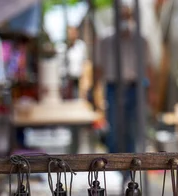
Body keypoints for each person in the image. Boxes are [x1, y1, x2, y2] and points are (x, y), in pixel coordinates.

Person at [96, 6, 152, 154]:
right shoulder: (106, 39)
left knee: (133, 129)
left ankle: (130, 166)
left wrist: (151, 92)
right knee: (114, 128)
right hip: (113, 88)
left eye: (127, 16)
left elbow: (148, 67)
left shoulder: (141, 39)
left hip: (135, 88)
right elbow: (99, 67)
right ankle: (114, 164)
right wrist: (95, 91)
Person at [58, 26, 87, 99]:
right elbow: (60, 64)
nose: (71, 35)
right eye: (69, 33)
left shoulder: (81, 45)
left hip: (77, 77)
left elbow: (84, 61)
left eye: (73, 33)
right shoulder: (62, 47)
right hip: (65, 78)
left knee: (76, 98)